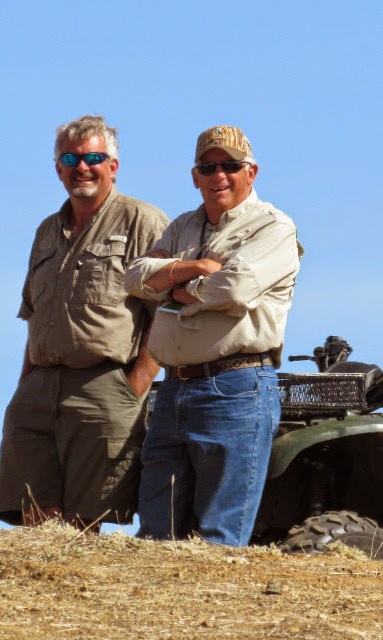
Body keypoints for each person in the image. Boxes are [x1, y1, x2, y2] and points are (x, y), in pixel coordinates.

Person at [124, 124, 303, 546]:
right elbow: (134, 275)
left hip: (236, 388)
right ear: (195, 176)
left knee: (218, 541)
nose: (218, 175)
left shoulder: (273, 227)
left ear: (251, 173)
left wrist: (172, 284)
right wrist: (198, 269)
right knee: (155, 536)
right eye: (208, 167)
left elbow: (236, 287)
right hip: (174, 388)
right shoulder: (182, 227)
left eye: (230, 166)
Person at [0, 115, 168, 530]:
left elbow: (165, 313)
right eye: (70, 159)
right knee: (33, 512)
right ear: (58, 168)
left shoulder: (143, 221)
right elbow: (35, 315)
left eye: (93, 158)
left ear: (113, 166)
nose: (82, 167)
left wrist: (134, 387)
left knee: (84, 523)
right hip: (39, 386)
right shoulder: (46, 230)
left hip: (104, 384)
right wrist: (25, 387)